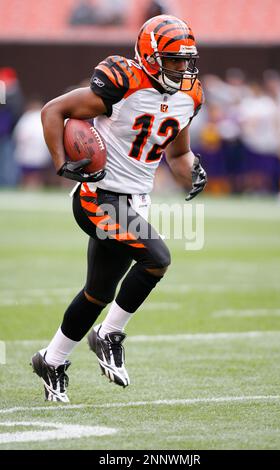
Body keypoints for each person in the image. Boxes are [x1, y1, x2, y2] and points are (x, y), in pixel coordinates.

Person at [31, 14, 207, 402]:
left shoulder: (188, 96)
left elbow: (177, 152)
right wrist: (62, 162)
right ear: (150, 56)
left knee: (97, 292)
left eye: (186, 59)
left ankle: (52, 359)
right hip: (98, 196)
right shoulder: (122, 83)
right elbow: (53, 111)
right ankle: (109, 333)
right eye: (174, 59)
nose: (182, 67)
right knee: (156, 259)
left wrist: (190, 171)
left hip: (134, 201)